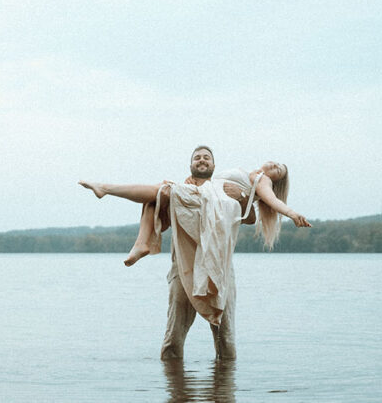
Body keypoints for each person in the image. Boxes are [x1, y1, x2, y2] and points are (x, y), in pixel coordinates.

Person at [79, 146, 311, 360]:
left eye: (206, 158)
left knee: (225, 337)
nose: (202, 160)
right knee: (174, 335)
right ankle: (176, 388)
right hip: (183, 265)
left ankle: (223, 389)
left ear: (213, 166)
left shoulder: (248, 185)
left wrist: (284, 211)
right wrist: (187, 190)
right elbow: (166, 214)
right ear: (191, 165)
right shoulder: (187, 189)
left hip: (219, 265)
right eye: (197, 157)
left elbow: (251, 216)